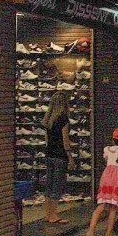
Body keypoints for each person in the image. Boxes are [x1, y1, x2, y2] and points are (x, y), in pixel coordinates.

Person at [42, 91, 75, 224]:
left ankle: (47, 214)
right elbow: (65, 141)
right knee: (57, 186)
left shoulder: (48, 120)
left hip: (49, 153)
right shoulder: (63, 120)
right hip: (60, 155)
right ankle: (54, 215)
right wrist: (71, 157)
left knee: (49, 185)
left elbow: (47, 139)